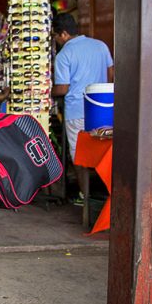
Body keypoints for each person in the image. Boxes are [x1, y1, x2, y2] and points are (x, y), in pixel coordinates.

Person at [51, 12, 114, 200]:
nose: (56, 40)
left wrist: (49, 92)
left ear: (62, 34)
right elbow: (110, 75)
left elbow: (62, 89)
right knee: (104, 150)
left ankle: (84, 195)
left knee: (79, 155)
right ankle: (108, 192)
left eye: (55, 36)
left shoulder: (64, 55)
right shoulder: (100, 46)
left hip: (77, 111)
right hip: (103, 109)